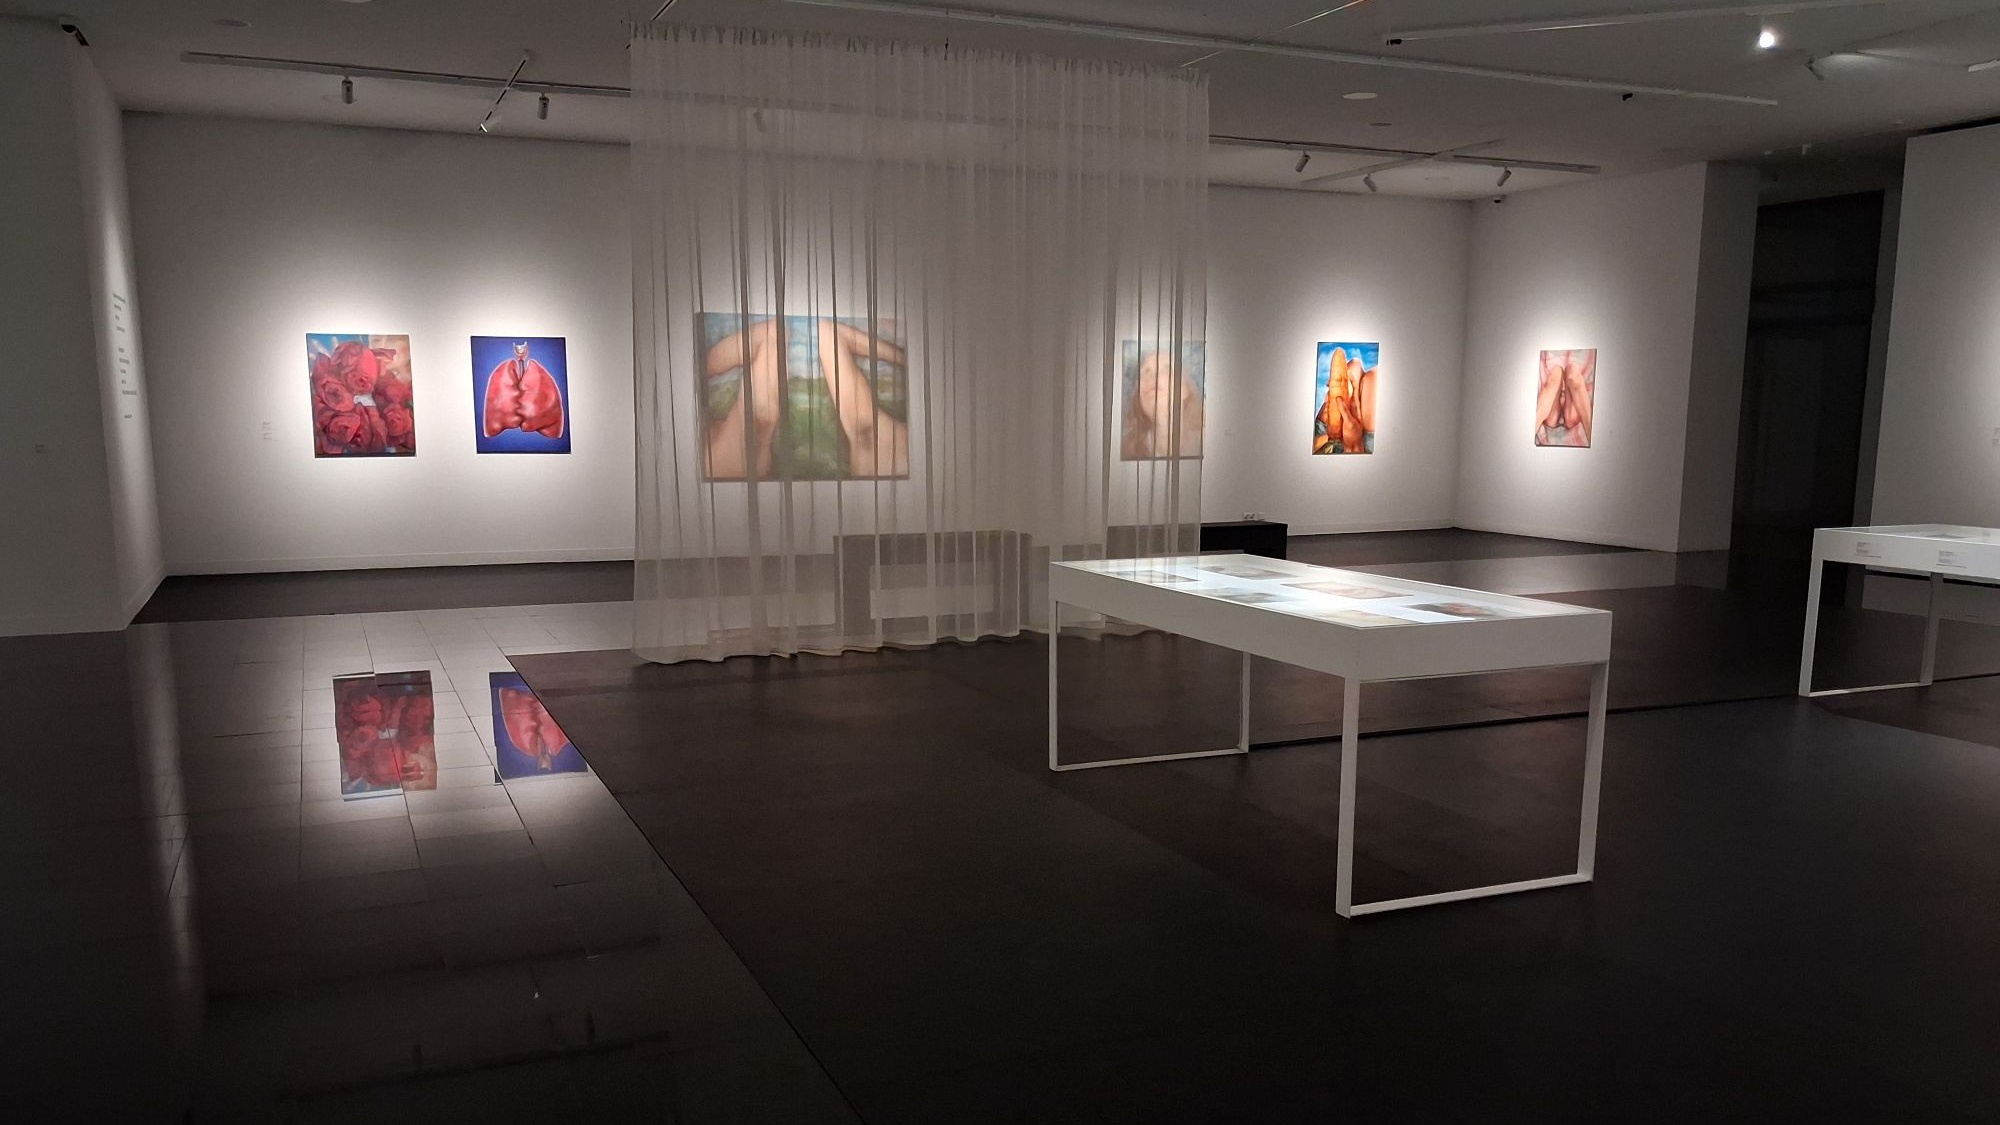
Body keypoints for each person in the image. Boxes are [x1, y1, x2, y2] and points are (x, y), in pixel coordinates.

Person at [1122, 348, 1205, 459]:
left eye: (1166, 369)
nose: (1152, 376)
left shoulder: (1210, 441)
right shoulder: (1126, 449)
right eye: (1146, 371)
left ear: (1186, 389)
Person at [1315, 346, 1376, 454]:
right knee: (1373, 378)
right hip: (1349, 449)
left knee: (1354, 365)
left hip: (1323, 435)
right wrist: (1353, 444)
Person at [1535, 348, 1594, 447]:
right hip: (1553, 413)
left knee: (1569, 372)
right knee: (1558, 373)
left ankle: (1596, 440)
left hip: (1569, 413)